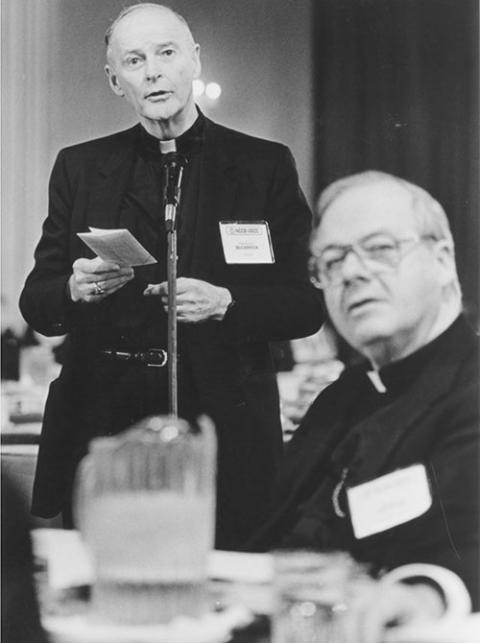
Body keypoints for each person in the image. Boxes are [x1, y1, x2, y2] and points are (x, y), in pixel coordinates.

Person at [19, 3, 323, 549]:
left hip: (227, 427)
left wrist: (227, 302)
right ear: (116, 80)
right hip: (106, 422)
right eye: (134, 60)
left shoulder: (263, 164)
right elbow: (36, 303)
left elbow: (305, 304)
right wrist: (73, 287)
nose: (153, 71)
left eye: (166, 53)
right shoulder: (81, 167)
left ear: (194, 61)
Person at [247, 171, 479, 636]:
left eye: (379, 249)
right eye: (331, 262)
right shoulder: (342, 395)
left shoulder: (471, 388)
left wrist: (424, 592)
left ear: (442, 259)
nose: (351, 273)